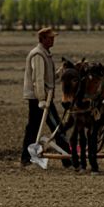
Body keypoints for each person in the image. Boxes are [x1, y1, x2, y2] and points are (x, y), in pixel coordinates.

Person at [21, 27, 70, 166]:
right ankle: (68, 159)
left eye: (53, 37)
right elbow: (38, 80)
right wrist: (42, 99)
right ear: (42, 39)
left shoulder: (45, 54)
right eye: (50, 37)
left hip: (40, 98)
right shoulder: (38, 55)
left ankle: (26, 158)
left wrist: (60, 72)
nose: (53, 39)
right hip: (40, 99)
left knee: (33, 128)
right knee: (57, 127)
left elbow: (47, 77)